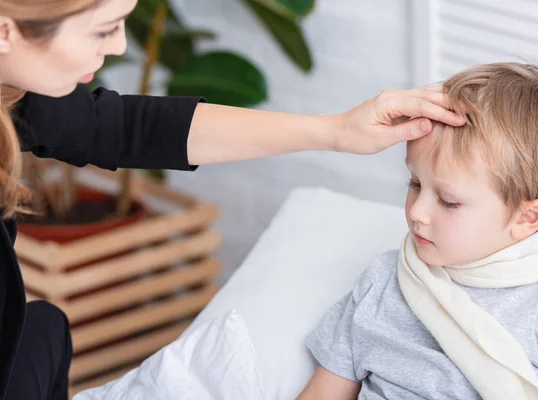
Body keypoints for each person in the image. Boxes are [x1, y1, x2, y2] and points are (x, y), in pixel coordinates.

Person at [0, 0, 466, 399]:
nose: (121, 45)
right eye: (102, 29)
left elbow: (124, 128)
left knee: (43, 330)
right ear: (7, 32)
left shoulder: (16, 94)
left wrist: (337, 131)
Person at [299, 62, 538, 400]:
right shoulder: (383, 281)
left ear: (527, 218)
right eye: (414, 183)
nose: (416, 211)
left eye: (448, 201)